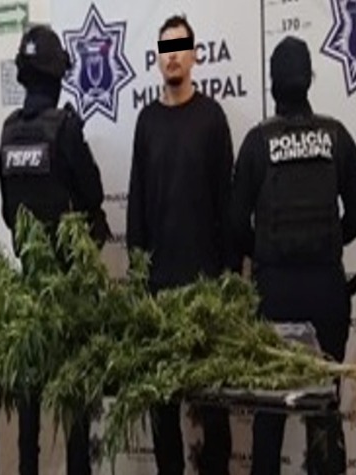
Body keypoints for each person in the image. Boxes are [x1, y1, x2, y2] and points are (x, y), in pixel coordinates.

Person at [229, 36, 356, 475]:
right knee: (323, 416)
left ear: (272, 84)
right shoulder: (337, 136)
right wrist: (327, 245)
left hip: (274, 295)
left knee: (268, 417)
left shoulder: (257, 143)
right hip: (326, 293)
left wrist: (267, 254)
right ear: (309, 79)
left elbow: (235, 224)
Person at [126, 14, 237, 475]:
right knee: (163, 406)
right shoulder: (147, 121)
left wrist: (230, 281)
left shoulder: (212, 118)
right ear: (158, 58)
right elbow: (136, 202)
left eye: (180, 48)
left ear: (193, 56)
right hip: (159, 291)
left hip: (207, 288)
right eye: (165, 49)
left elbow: (228, 205)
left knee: (215, 406)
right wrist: (138, 277)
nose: (172, 57)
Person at [0, 25, 111, 475]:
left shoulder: (8, 131)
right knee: (74, 402)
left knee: (29, 402)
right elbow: (94, 195)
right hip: (70, 292)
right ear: (57, 76)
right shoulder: (64, 128)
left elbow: (8, 212)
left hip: (29, 287)